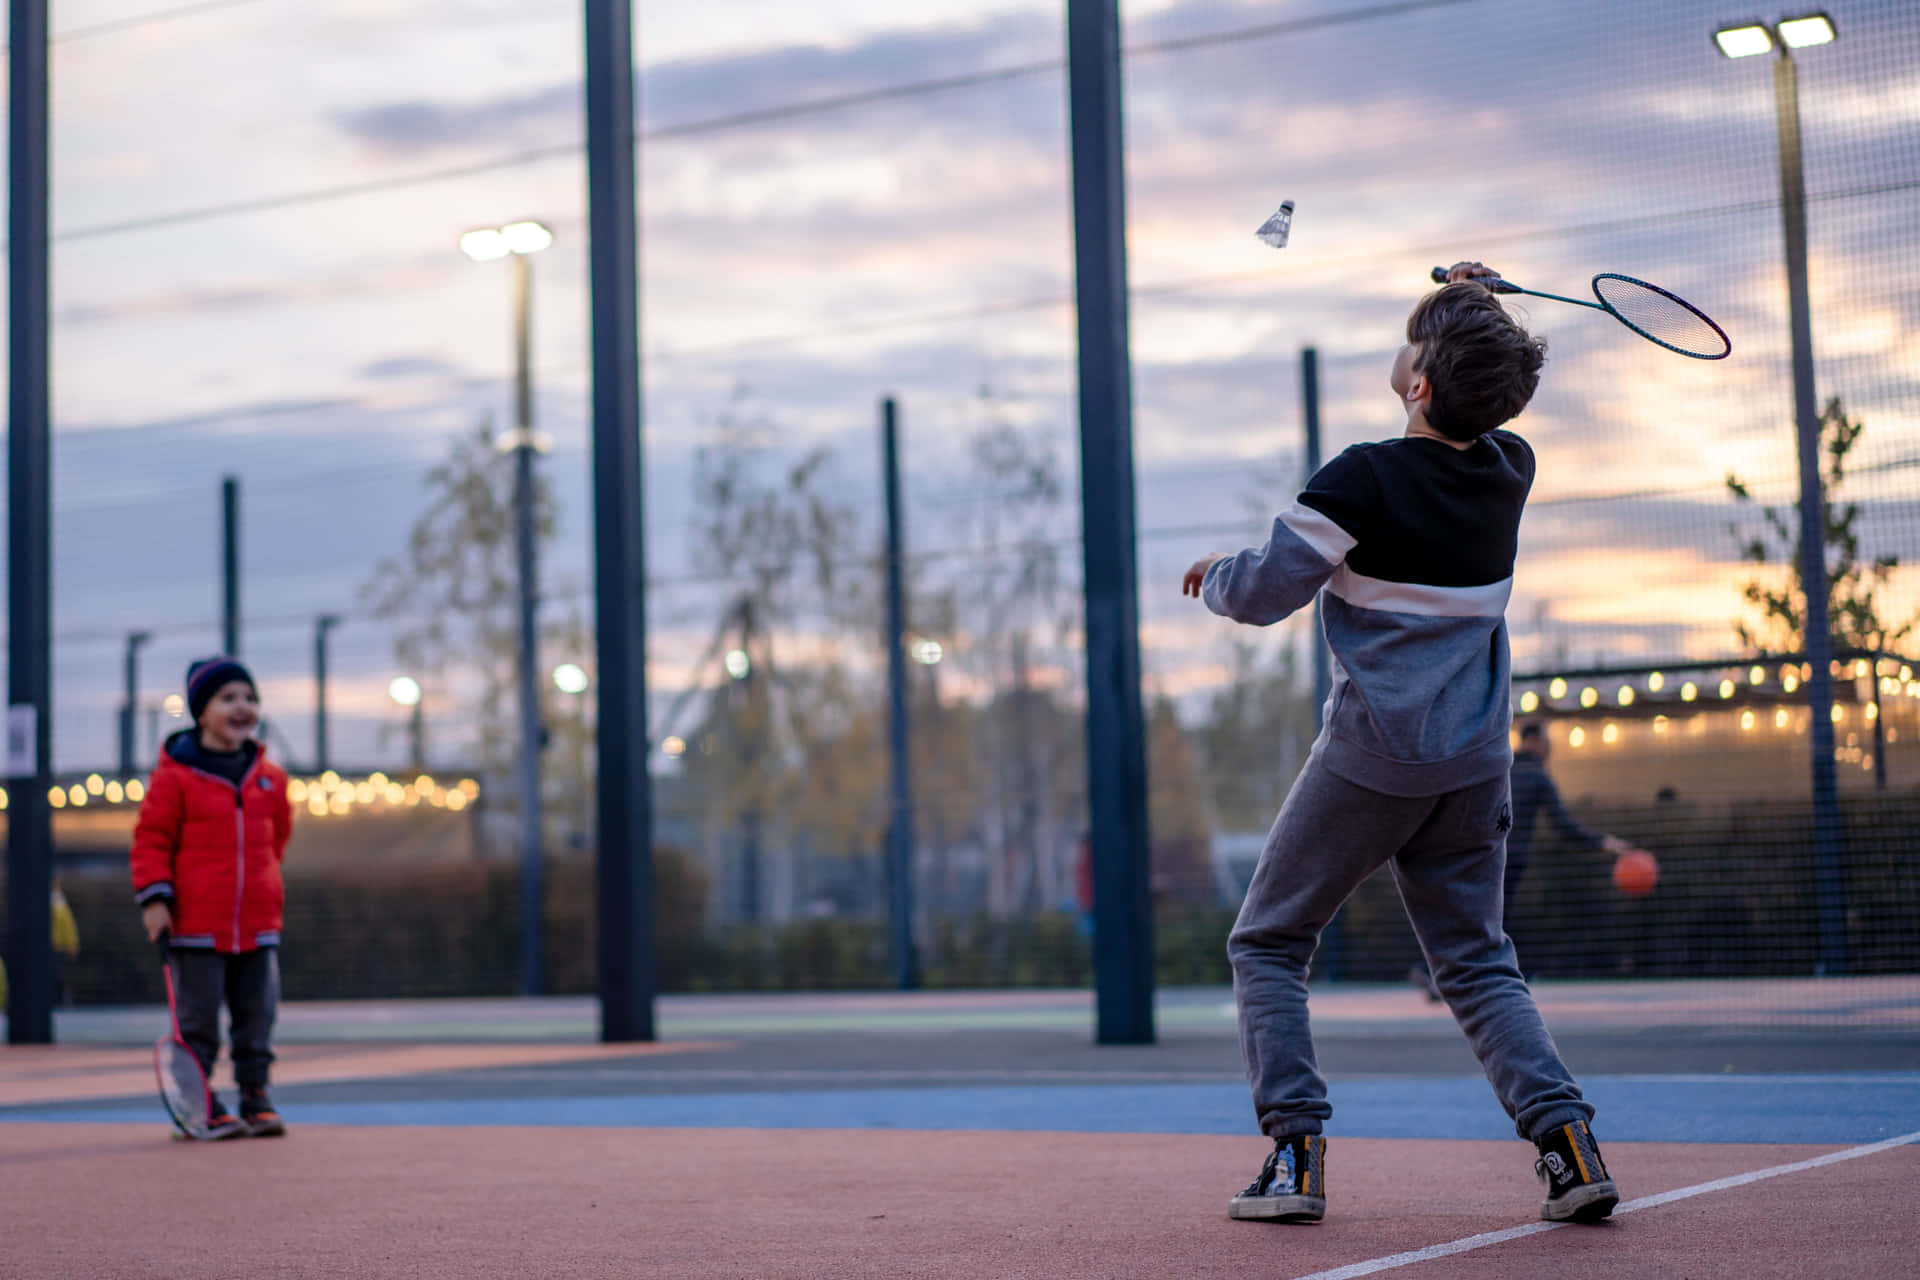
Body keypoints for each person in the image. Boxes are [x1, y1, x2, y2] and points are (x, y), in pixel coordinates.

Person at [1182, 264, 1616, 1226]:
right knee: (1477, 961)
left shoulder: (1362, 479)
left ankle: (1295, 1160)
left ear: (1418, 383)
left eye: (1415, 341)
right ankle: (1569, 1147)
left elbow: (1261, 595)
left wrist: (1215, 575)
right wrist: (1482, 310)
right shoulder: (1511, 469)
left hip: (1374, 761)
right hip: (1474, 770)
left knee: (1266, 941)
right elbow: (1489, 397)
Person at [130, 657, 293, 1140]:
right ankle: (199, 1104)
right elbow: (151, 841)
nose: (242, 707)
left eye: (249, 698)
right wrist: (155, 899)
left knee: (256, 1017)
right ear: (201, 712)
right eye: (228, 699)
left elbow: (277, 839)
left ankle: (255, 1096)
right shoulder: (174, 777)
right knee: (198, 1022)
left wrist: (263, 884)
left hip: (257, 924)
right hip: (196, 925)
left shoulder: (270, 779)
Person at [1410, 719, 1627, 995]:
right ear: (1535, 740)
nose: (1551, 746)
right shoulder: (1537, 775)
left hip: (1478, 852)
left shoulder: (1499, 765)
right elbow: (1562, 825)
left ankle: (1442, 974)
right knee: (1492, 922)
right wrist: (1602, 842)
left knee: (1475, 918)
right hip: (1509, 860)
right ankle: (1469, 979)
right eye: (1547, 740)